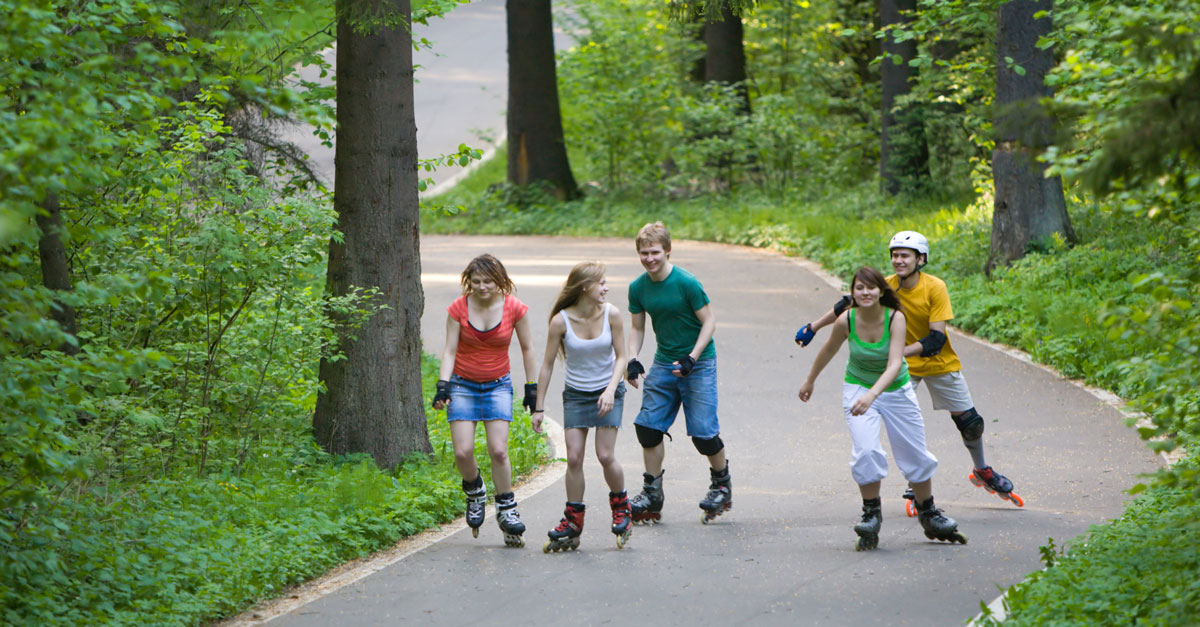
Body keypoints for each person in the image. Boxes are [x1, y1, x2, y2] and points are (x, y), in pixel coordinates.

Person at [795, 231, 1022, 510]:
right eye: (895, 255)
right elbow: (846, 305)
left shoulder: (934, 287)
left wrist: (897, 351)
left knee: (970, 423)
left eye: (905, 255)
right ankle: (916, 486)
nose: (898, 261)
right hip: (900, 370)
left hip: (938, 362)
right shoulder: (885, 289)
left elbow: (936, 339)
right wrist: (813, 327)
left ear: (920, 259)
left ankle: (982, 470)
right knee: (907, 427)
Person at [798, 266, 966, 550]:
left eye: (871, 288)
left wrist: (873, 395)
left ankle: (928, 513)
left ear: (881, 291)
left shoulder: (895, 318)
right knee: (866, 450)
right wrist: (810, 380)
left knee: (914, 452)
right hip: (858, 387)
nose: (865, 293)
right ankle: (871, 514)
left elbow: (894, 364)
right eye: (859, 288)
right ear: (852, 293)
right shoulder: (846, 320)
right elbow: (828, 349)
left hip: (895, 389)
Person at [625, 221, 732, 525]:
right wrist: (633, 359)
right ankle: (652, 492)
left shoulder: (686, 282)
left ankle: (721, 483)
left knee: (703, 434)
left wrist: (692, 357)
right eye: (644, 253)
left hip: (698, 363)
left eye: (655, 252)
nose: (649, 258)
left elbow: (709, 322)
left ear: (668, 251)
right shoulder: (637, 287)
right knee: (647, 427)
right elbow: (636, 327)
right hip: (664, 363)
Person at [432, 254, 539, 548]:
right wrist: (443, 385)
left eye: (488, 281)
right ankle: (476, 491)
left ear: (500, 281)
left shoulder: (514, 308)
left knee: (499, 450)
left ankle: (506, 507)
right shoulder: (459, 308)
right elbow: (450, 350)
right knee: (463, 452)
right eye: (476, 281)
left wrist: (532, 389)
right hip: (463, 385)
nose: (481, 287)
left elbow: (528, 349)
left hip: (498, 387)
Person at [533, 261, 633, 552]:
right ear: (585, 287)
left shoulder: (612, 314)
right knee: (574, 458)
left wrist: (611, 390)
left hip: (608, 391)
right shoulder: (560, 321)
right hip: (576, 395)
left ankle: (621, 508)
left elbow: (622, 358)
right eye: (601, 282)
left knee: (604, 455)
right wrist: (539, 408)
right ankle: (573, 520)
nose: (606, 287)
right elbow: (547, 366)